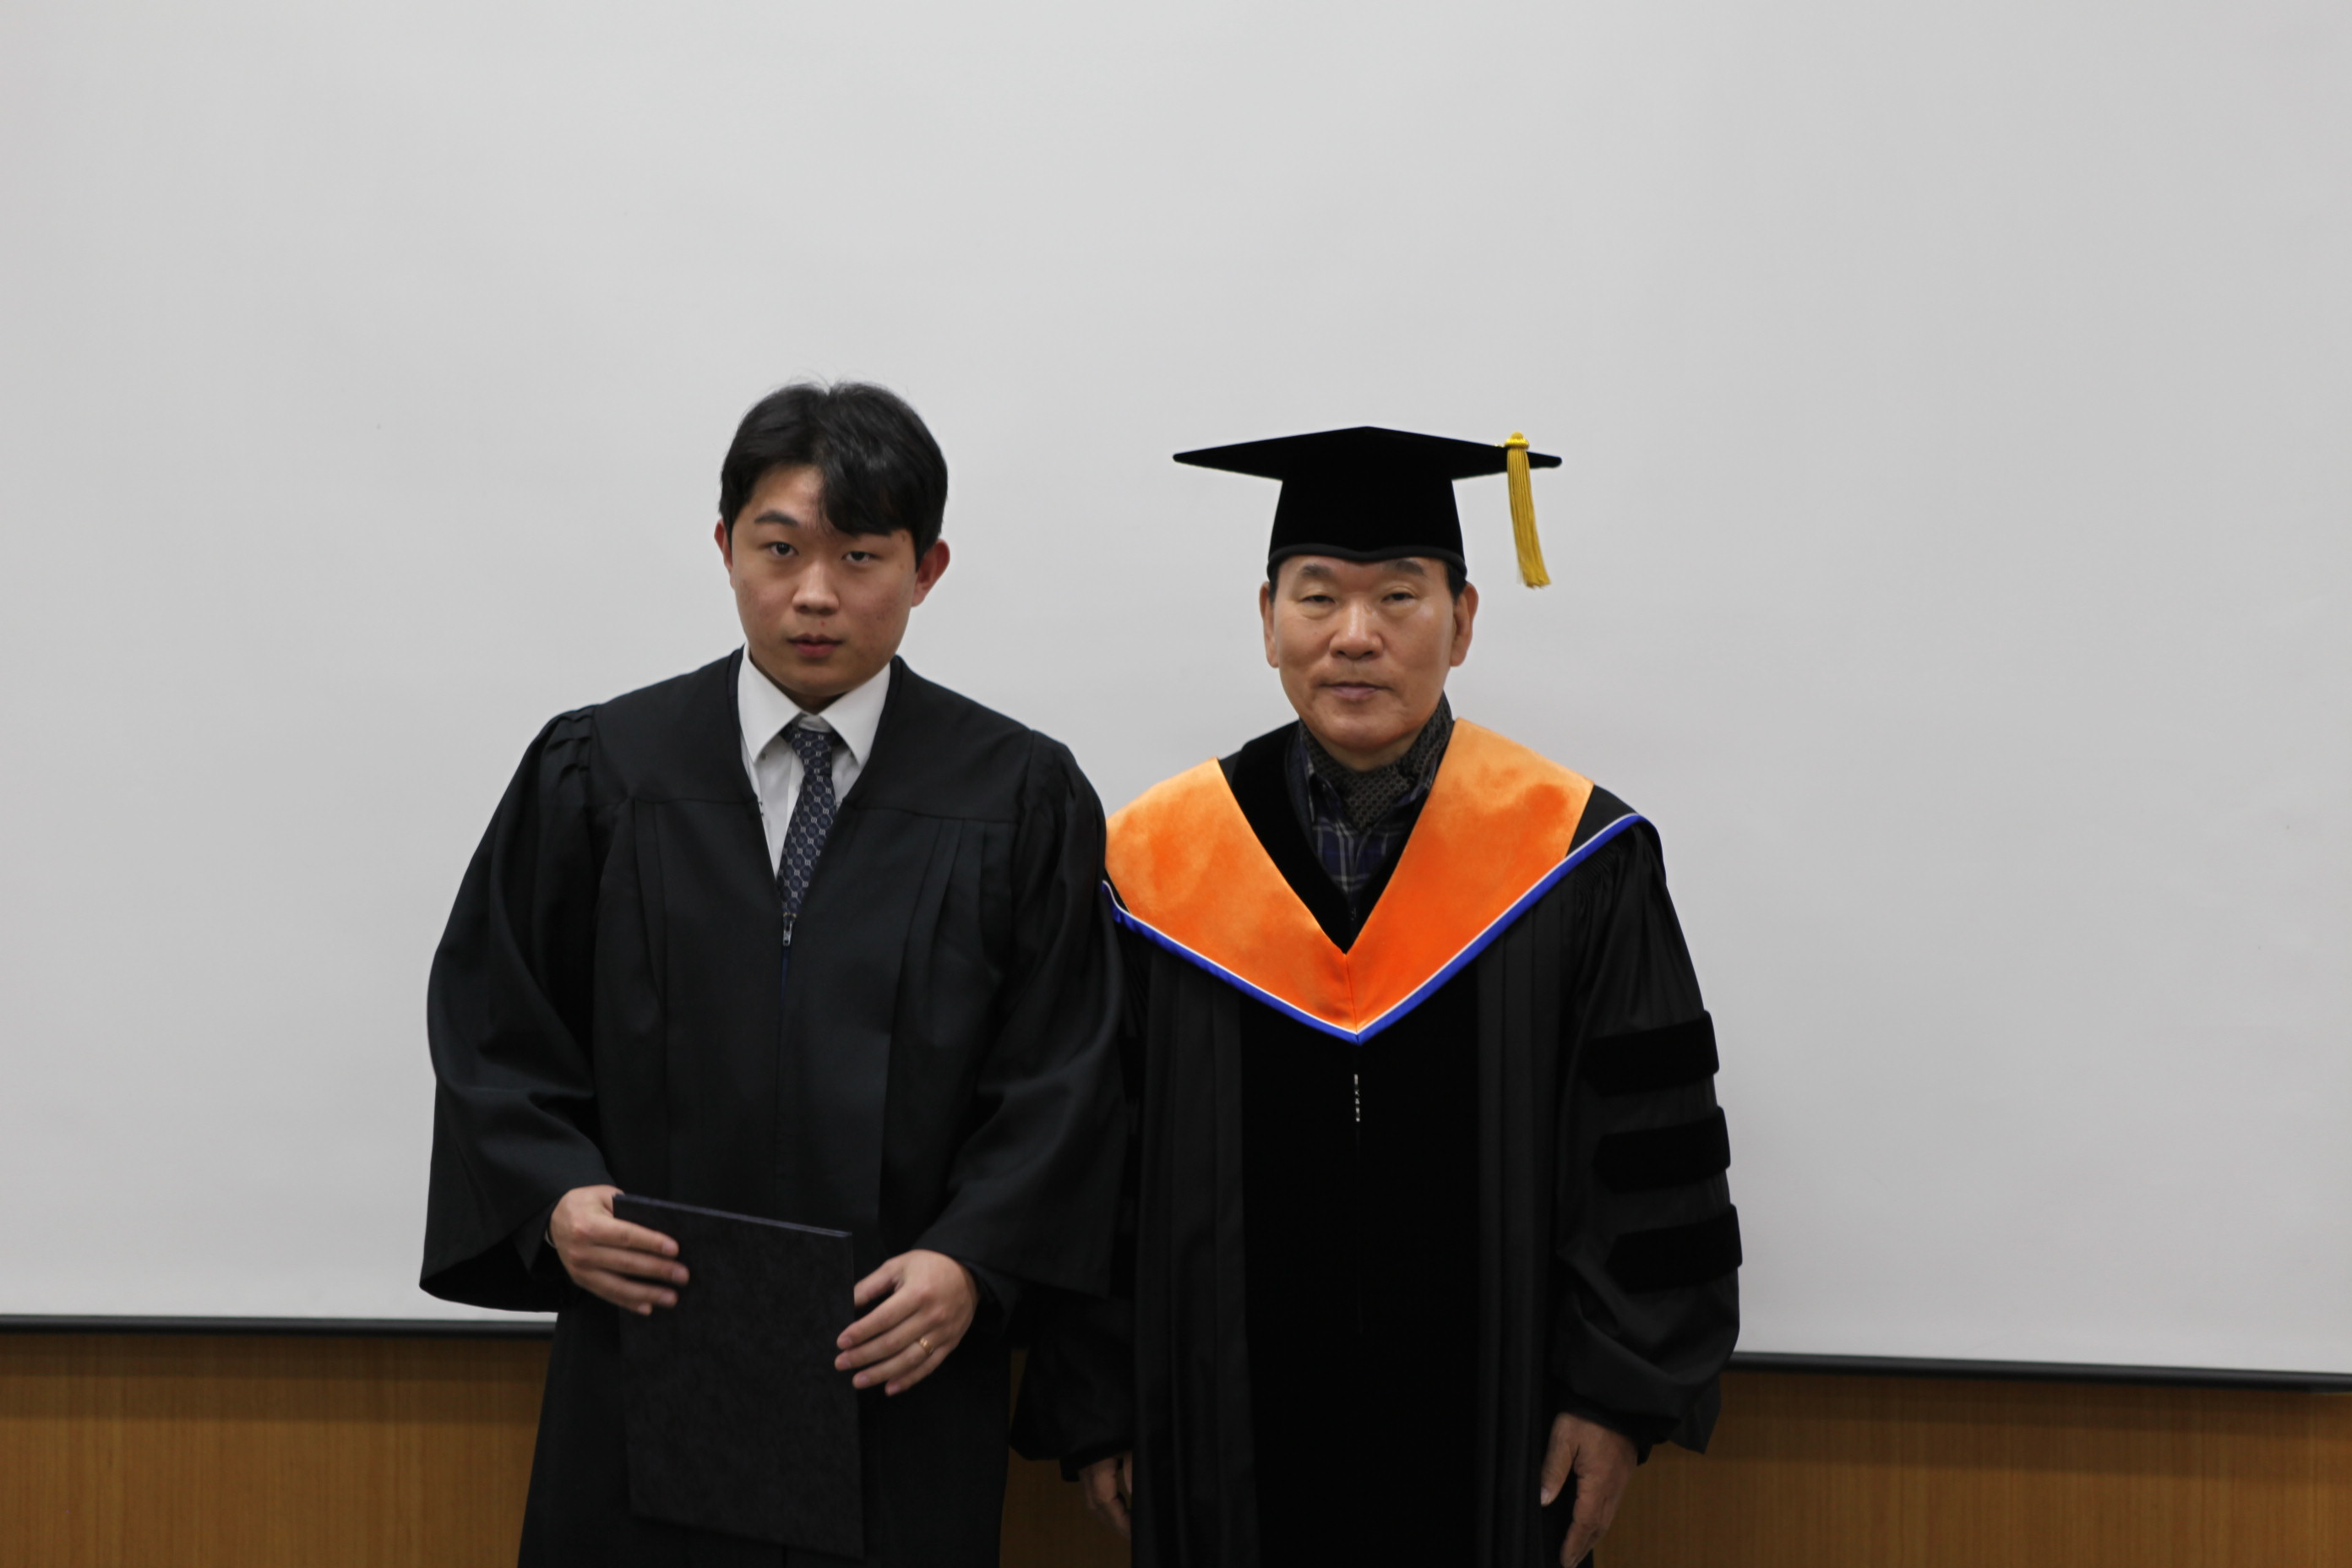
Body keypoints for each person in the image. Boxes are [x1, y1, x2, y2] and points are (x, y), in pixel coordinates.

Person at [420, 381, 1125, 1567]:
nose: (814, 594)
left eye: (861, 556)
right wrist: (555, 1199)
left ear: (927, 569)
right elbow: (498, 1022)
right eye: (780, 548)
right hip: (650, 1340)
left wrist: (976, 1260)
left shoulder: (1018, 794)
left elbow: (1067, 1069)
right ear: (725, 547)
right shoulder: (602, 770)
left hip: (897, 1357)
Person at [1011, 426, 1741, 1566]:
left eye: (1400, 596)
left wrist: (1615, 1397)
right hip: (1218, 1432)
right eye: (1318, 598)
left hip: (1497, 1439)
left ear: (1463, 620)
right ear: (1268, 622)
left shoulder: (1578, 858)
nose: (1356, 635)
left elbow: (1645, 1155)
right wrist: (1098, 1396)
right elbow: (1095, 1153)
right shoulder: (1153, 867)